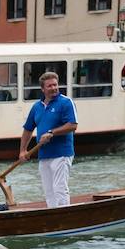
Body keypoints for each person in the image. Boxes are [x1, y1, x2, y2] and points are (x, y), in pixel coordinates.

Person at [19, 70, 77, 209]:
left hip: (62, 153)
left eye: (55, 85)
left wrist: (52, 132)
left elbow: (72, 125)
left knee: (59, 188)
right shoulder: (36, 107)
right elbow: (28, 129)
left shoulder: (66, 102)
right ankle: (52, 216)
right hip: (44, 154)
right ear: (43, 89)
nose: (54, 88)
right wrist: (22, 150)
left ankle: (64, 216)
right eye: (50, 86)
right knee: (48, 191)